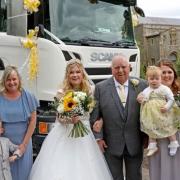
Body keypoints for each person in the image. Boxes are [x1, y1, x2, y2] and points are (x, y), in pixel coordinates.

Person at [29, 59, 113, 180]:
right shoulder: (61, 92)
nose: (75, 75)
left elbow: (98, 111)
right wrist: (70, 120)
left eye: (78, 72)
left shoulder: (90, 91)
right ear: (67, 75)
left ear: (82, 73)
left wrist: (101, 120)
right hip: (65, 133)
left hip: (84, 135)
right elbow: (59, 117)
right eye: (71, 72)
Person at [90, 55, 147, 180]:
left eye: (123, 67)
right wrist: (98, 138)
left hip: (135, 142)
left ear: (129, 68)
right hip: (110, 143)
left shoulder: (142, 85)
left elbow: (148, 113)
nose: (120, 70)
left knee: (135, 176)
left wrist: (148, 136)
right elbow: (95, 116)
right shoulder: (100, 88)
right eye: (116, 67)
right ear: (111, 69)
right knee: (113, 177)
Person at [0, 66, 39, 180]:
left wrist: (23, 145)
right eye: (8, 79)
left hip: (24, 141)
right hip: (4, 144)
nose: (12, 82)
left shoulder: (28, 96)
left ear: (19, 80)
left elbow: (32, 121)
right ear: (4, 81)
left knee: (23, 174)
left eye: (14, 79)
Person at [137, 66, 179, 157]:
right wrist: (141, 99)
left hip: (162, 113)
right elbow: (143, 98)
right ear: (147, 79)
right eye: (151, 79)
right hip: (151, 115)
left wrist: (167, 107)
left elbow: (171, 99)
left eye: (157, 78)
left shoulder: (164, 88)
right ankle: (152, 145)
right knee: (151, 129)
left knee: (168, 127)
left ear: (160, 79)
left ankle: (173, 142)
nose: (154, 81)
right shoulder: (147, 89)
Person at [149, 60, 180, 180]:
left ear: (174, 74)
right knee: (161, 169)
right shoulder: (151, 93)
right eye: (163, 72)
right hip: (158, 139)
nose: (167, 75)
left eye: (169, 72)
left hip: (177, 137)